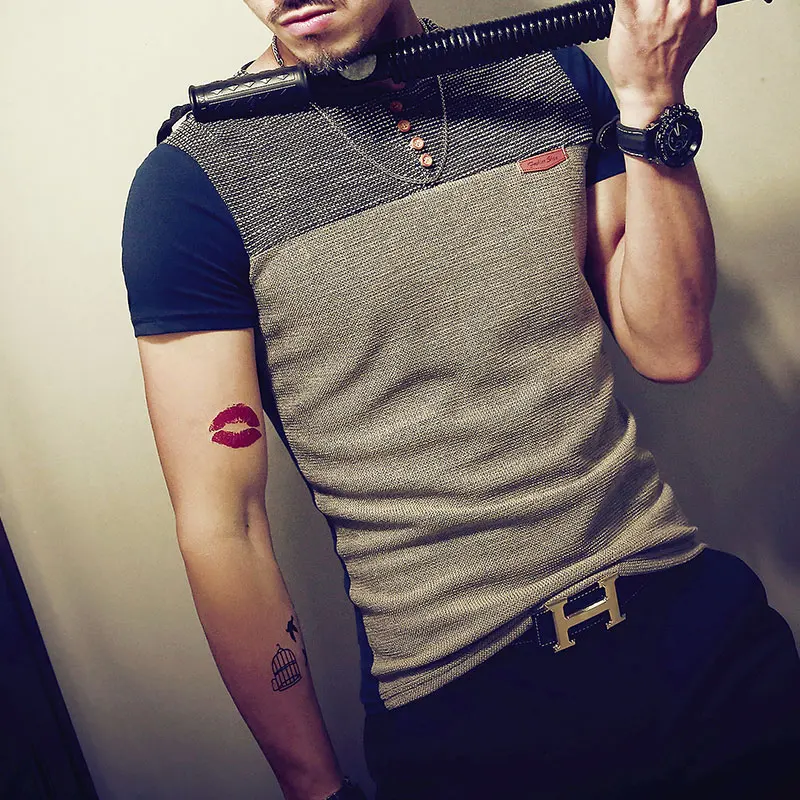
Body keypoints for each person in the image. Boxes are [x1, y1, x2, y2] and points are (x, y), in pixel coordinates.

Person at [121, 1, 800, 798]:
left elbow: (671, 344)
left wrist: (652, 103)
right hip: (465, 706)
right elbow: (223, 526)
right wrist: (316, 791)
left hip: (690, 630)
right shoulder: (191, 186)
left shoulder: (549, 73)